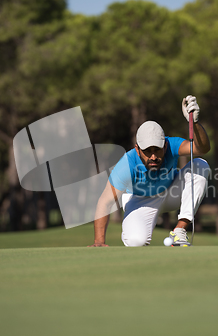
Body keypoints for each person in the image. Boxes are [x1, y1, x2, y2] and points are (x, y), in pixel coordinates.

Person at [89, 96, 210, 247]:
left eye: (157, 150)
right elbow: (105, 202)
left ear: (165, 146)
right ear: (137, 149)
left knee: (200, 165)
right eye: (147, 151)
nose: (153, 156)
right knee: (135, 242)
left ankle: (179, 231)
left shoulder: (172, 145)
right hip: (141, 201)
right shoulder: (127, 164)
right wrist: (99, 241)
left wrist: (195, 123)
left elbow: (202, 149)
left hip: (171, 192)